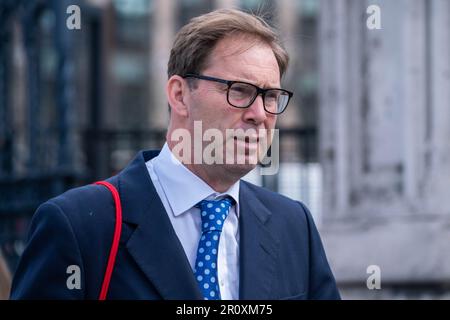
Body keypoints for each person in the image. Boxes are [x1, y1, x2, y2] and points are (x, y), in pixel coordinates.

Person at [10, 8, 340, 300]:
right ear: (180, 95)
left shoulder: (295, 226)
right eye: (240, 90)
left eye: (271, 96)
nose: (260, 113)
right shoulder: (78, 225)